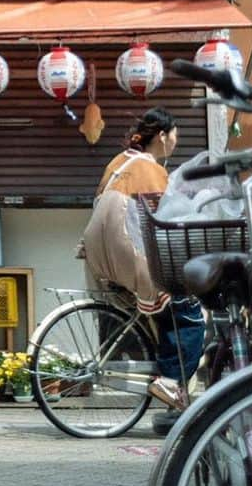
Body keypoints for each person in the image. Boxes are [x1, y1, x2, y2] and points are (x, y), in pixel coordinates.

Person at [83, 107, 205, 410]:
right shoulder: (151, 169)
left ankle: (169, 385)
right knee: (188, 311)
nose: (176, 140)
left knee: (166, 311)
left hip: (98, 254)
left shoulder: (119, 162)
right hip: (126, 251)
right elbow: (166, 224)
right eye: (175, 133)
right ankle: (171, 382)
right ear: (162, 136)